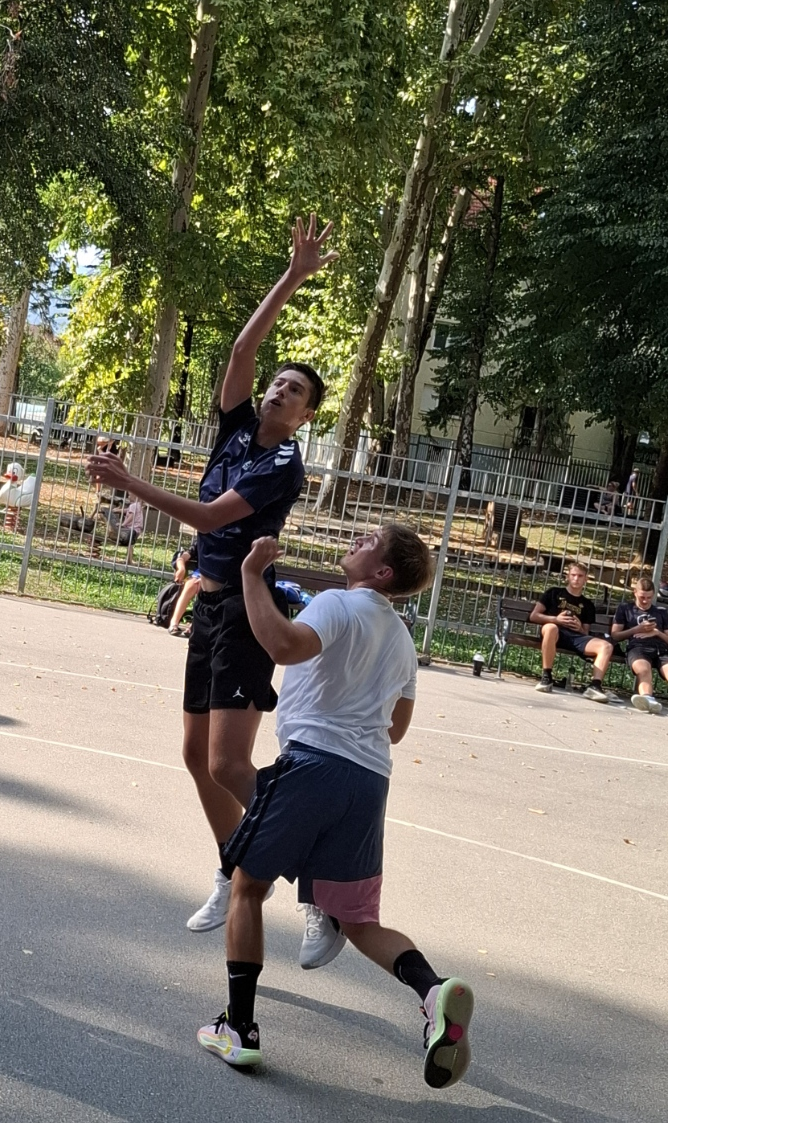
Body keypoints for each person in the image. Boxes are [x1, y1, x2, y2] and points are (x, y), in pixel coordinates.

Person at [87, 213, 334, 934]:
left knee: (230, 764)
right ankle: (233, 867)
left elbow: (208, 516)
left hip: (249, 614)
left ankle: (321, 882)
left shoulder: (281, 464)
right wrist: (292, 276)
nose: (279, 391)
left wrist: (130, 482)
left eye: (295, 392)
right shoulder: (237, 428)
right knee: (196, 757)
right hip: (212, 608)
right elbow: (241, 349)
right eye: (278, 382)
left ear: (305, 417)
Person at [195, 526, 473, 1088]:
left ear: (382, 572)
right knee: (359, 921)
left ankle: (240, 1029)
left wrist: (250, 575)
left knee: (247, 884)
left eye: (370, 540)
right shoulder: (402, 641)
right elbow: (395, 729)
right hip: (369, 782)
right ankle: (433, 991)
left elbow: (283, 646)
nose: (358, 538)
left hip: (313, 764)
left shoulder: (336, 604)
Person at [530, 561, 612, 703]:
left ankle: (595, 686)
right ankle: (546, 677)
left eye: (580, 576)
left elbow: (585, 632)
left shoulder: (588, 604)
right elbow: (534, 616)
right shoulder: (554, 593)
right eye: (573, 575)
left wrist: (579, 627)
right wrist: (556, 619)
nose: (576, 579)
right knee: (551, 628)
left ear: (586, 579)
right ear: (567, 576)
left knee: (606, 646)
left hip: (575, 637)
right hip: (554, 634)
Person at [612, 575, 668, 715]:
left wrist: (656, 632)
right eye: (642, 597)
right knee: (643, 669)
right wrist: (637, 629)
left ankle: (649, 700)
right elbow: (615, 635)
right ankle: (648, 699)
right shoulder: (625, 609)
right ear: (635, 592)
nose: (645, 601)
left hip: (661, 649)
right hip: (638, 648)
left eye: (649, 598)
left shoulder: (661, 612)